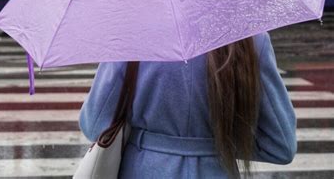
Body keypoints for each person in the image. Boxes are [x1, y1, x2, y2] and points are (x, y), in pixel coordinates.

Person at [79, 32, 297, 178]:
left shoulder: (132, 35)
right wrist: (213, 144)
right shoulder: (251, 39)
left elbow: (94, 124)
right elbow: (280, 146)